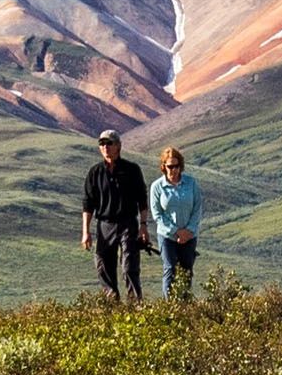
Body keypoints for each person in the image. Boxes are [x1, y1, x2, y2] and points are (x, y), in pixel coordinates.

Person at [81, 129, 150, 301]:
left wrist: (143, 225)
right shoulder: (95, 173)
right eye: (102, 144)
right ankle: (112, 304)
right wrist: (86, 232)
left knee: (129, 267)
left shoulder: (132, 170)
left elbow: (142, 199)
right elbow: (88, 203)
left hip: (128, 223)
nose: (105, 147)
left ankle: (136, 306)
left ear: (118, 146)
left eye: (109, 143)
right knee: (103, 265)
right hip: (105, 224)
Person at [150, 147, 203, 299]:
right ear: (163, 167)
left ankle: (185, 306)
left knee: (187, 271)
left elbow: (197, 207)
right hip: (167, 236)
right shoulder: (157, 187)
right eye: (170, 166)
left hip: (189, 235)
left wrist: (189, 230)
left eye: (176, 166)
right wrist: (175, 231)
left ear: (181, 166)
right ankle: (170, 305)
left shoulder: (191, 183)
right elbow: (157, 214)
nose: (173, 170)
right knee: (170, 269)